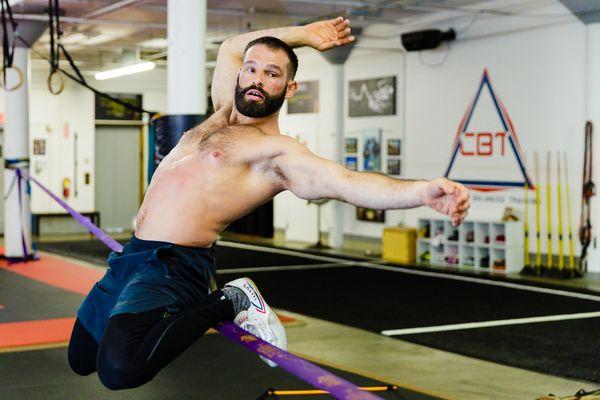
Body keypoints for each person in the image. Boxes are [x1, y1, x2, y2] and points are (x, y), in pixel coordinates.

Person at [68, 17, 470, 390]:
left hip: (173, 266)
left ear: (289, 88)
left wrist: (421, 192)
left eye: (272, 73)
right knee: (81, 358)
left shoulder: (275, 154)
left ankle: (231, 300)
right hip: (133, 256)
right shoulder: (222, 113)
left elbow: (348, 183)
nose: (257, 79)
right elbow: (230, 46)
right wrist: (305, 35)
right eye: (252, 68)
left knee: (120, 370)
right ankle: (213, 301)